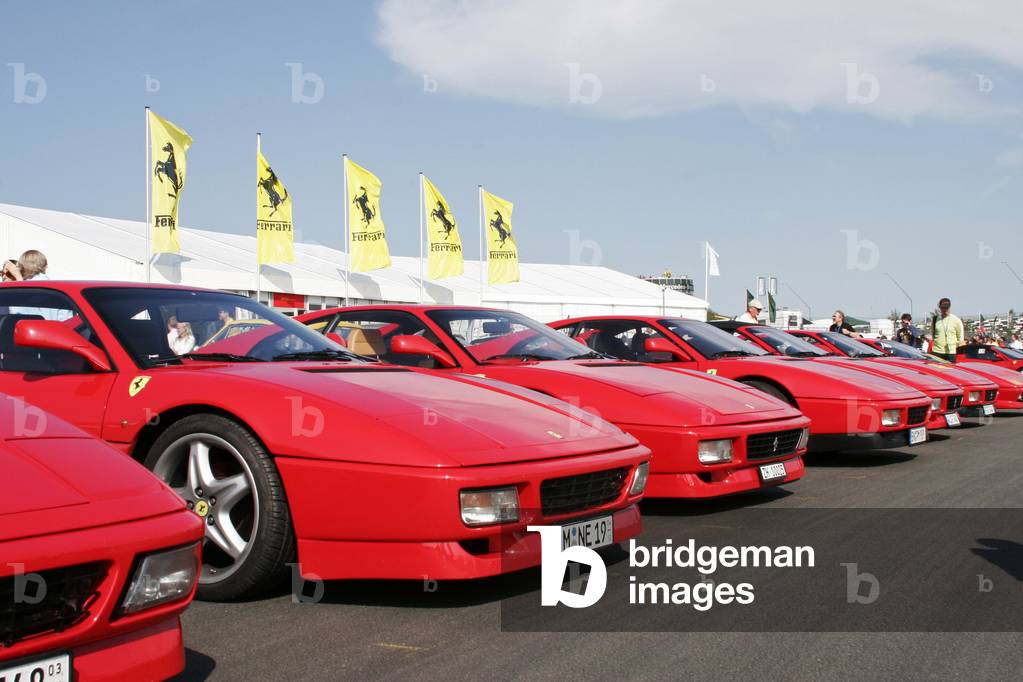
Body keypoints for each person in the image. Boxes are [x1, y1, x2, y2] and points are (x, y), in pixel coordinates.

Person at [931, 297, 964, 362]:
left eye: (947, 307)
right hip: (937, 351)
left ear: (949, 307)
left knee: (949, 371)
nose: (945, 309)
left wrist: (953, 346)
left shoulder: (956, 320)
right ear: (939, 307)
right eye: (943, 307)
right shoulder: (935, 319)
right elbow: (933, 334)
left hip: (951, 352)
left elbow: (960, 338)